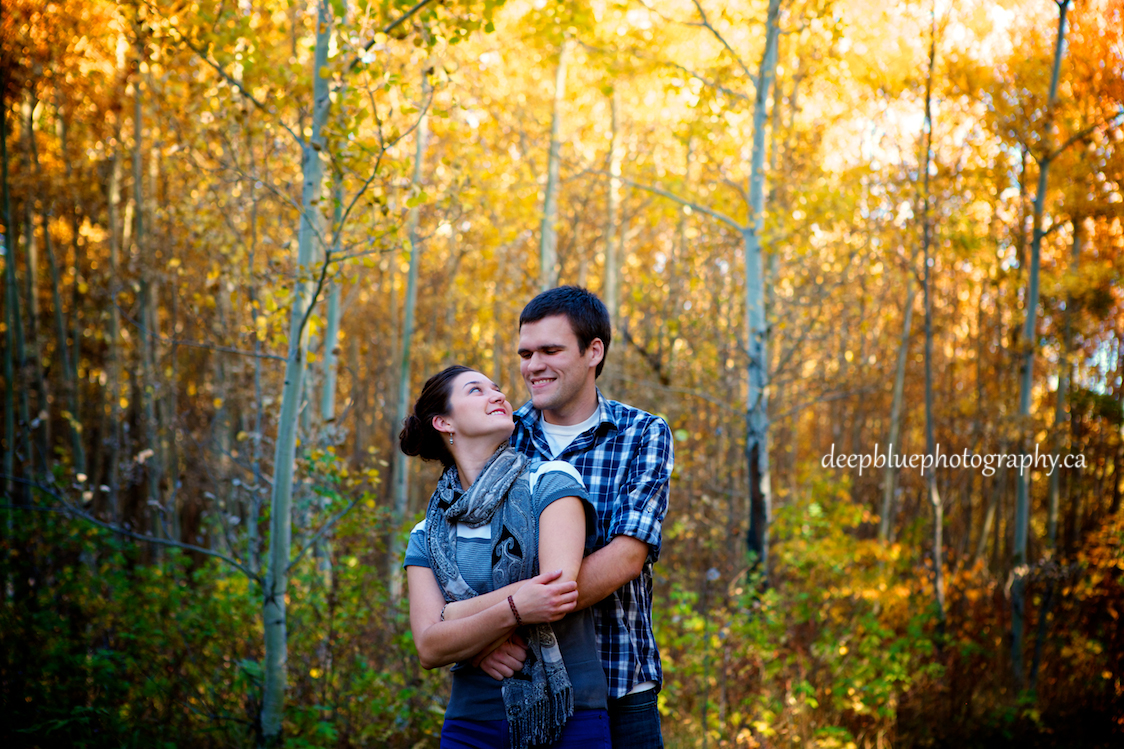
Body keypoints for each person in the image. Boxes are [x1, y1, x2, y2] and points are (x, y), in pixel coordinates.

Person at [478, 287, 673, 748]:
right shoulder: (503, 436)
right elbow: (466, 554)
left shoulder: (642, 434)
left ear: (593, 352)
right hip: (521, 687)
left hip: (619, 685)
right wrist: (475, 644)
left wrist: (499, 620)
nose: (533, 366)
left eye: (550, 350)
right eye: (525, 353)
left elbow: (627, 557)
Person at [400, 364, 611, 749]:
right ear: (444, 422)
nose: (498, 395)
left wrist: (456, 615)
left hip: (568, 716)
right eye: (476, 390)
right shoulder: (428, 534)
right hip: (471, 724)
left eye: (496, 388)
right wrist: (511, 609)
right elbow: (429, 648)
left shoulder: (550, 481)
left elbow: (555, 591)